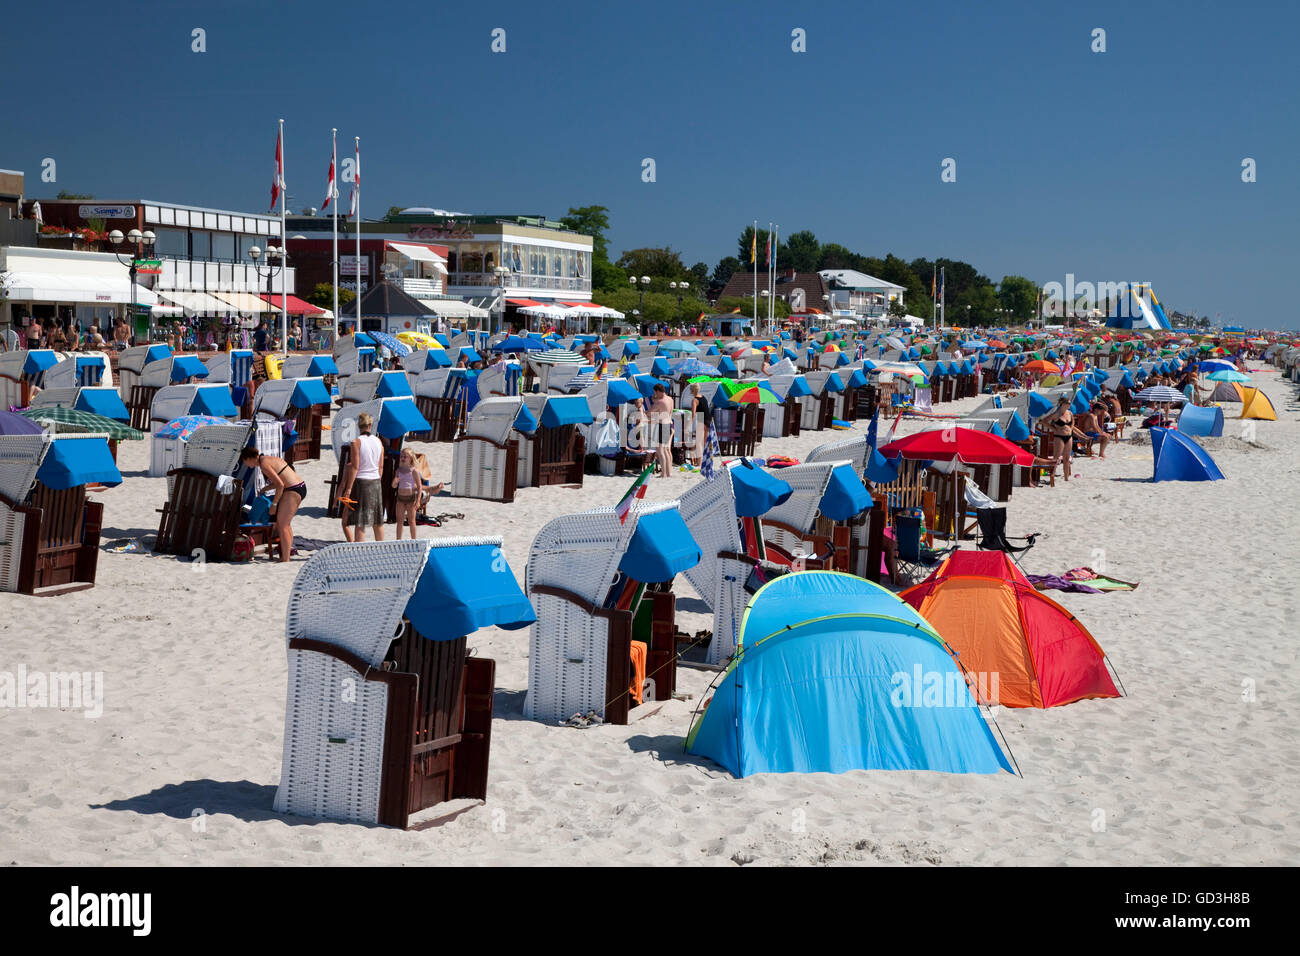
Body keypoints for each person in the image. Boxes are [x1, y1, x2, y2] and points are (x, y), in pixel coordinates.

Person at [240, 447, 306, 562]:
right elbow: (281, 480)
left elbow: (280, 485)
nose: (245, 464)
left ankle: (285, 559)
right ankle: (286, 556)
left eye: (244, 461)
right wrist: (266, 488)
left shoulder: (264, 464)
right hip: (298, 486)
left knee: (282, 525)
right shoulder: (267, 459)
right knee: (285, 524)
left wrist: (274, 504)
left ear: (249, 458)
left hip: (293, 489)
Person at [339, 411, 386, 542]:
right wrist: (377, 479)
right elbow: (381, 466)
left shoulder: (356, 442)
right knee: (377, 520)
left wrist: (348, 489)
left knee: (361, 521)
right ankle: (382, 549)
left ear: (358, 426)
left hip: (362, 481)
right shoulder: (378, 442)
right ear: (370, 425)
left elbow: (355, 466)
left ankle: (360, 551)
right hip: (376, 481)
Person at [391, 448, 423, 540]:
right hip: (400, 498)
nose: (403, 458)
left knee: (411, 521)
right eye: (401, 456)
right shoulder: (398, 470)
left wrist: (418, 501)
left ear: (411, 458)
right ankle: (398, 540)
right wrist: (395, 482)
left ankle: (414, 540)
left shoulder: (414, 471)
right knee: (399, 521)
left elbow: (420, 486)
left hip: (411, 498)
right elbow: (393, 486)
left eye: (405, 456)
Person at [1047, 396, 1076, 481]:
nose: (1070, 405)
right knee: (1056, 457)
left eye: (1070, 403)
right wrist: (1053, 429)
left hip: (1069, 436)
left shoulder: (1070, 413)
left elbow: (1073, 421)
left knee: (1067, 458)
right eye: (1068, 403)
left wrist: (1071, 427)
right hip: (1059, 436)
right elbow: (1044, 421)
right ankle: (1052, 475)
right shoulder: (1057, 414)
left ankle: (1066, 478)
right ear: (1062, 404)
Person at [649, 383, 675, 478]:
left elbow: (649, 413)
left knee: (660, 451)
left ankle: (663, 473)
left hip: (662, 425)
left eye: (655, 392)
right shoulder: (670, 399)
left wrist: (654, 402)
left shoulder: (660, 402)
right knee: (666, 450)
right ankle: (668, 472)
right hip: (669, 424)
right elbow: (670, 412)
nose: (655, 394)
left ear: (658, 391)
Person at [687, 381, 711, 467]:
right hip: (708, 419)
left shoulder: (694, 400)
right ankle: (702, 461)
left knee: (699, 443)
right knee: (703, 442)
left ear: (692, 391)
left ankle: (699, 463)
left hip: (701, 420)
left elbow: (693, 414)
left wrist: (688, 425)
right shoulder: (703, 397)